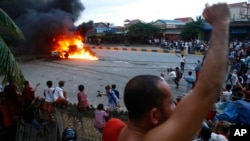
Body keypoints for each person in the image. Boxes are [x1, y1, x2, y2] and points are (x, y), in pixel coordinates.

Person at [118, 3, 230, 141]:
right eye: (171, 102)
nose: (176, 106)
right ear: (154, 115)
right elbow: (208, 91)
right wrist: (221, 24)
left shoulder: (127, 131)